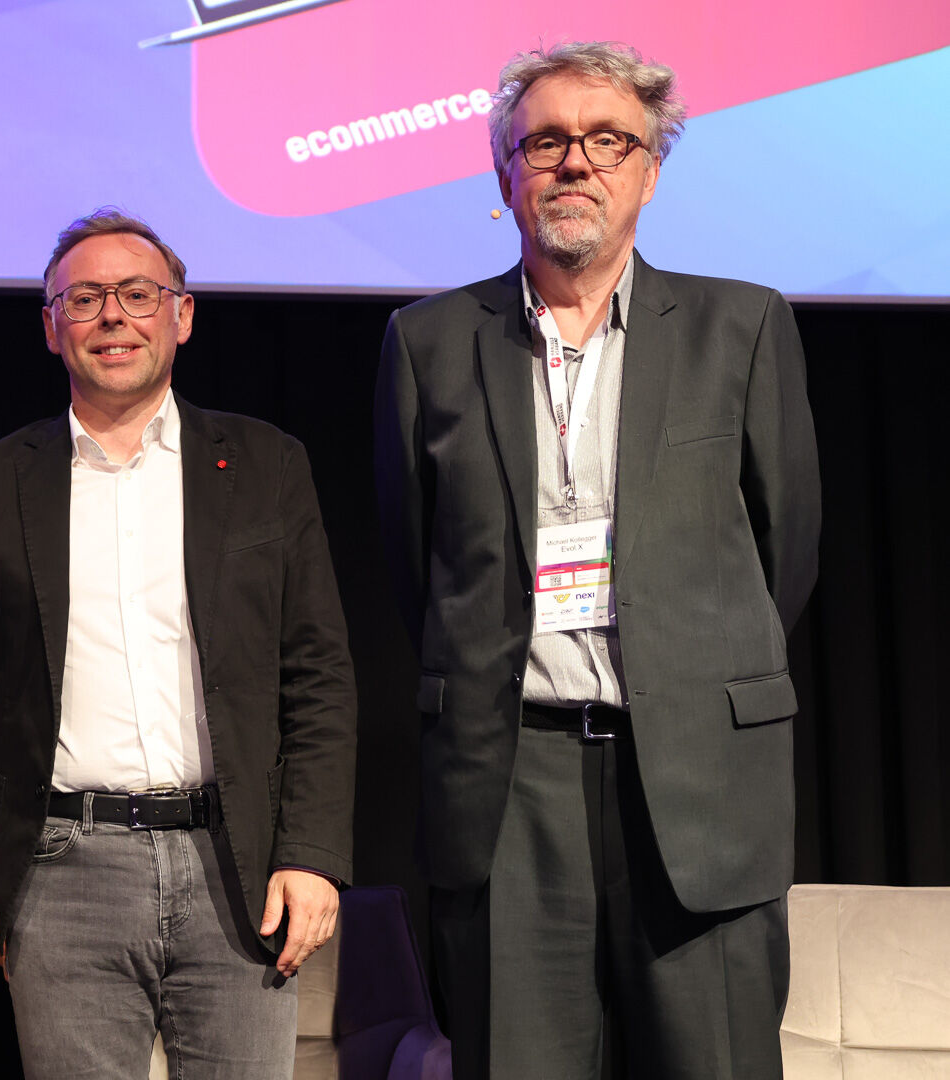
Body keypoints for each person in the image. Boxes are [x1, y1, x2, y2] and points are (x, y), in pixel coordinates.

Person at [374, 42, 820, 1079]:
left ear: (648, 172)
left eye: (607, 140)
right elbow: (418, 566)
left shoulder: (741, 326)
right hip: (508, 781)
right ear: (506, 176)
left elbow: (784, 548)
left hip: (700, 776)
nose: (575, 161)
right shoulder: (429, 342)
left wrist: (688, 671)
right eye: (545, 143)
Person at [0, 208, 356, 1078]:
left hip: (236, 868)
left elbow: (317, 674)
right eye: (84, 299)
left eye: (136, 294)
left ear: (182, 315)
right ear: (51, 327)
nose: (112, 317)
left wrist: (311, 855)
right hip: (61, 872)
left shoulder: (265, 464)